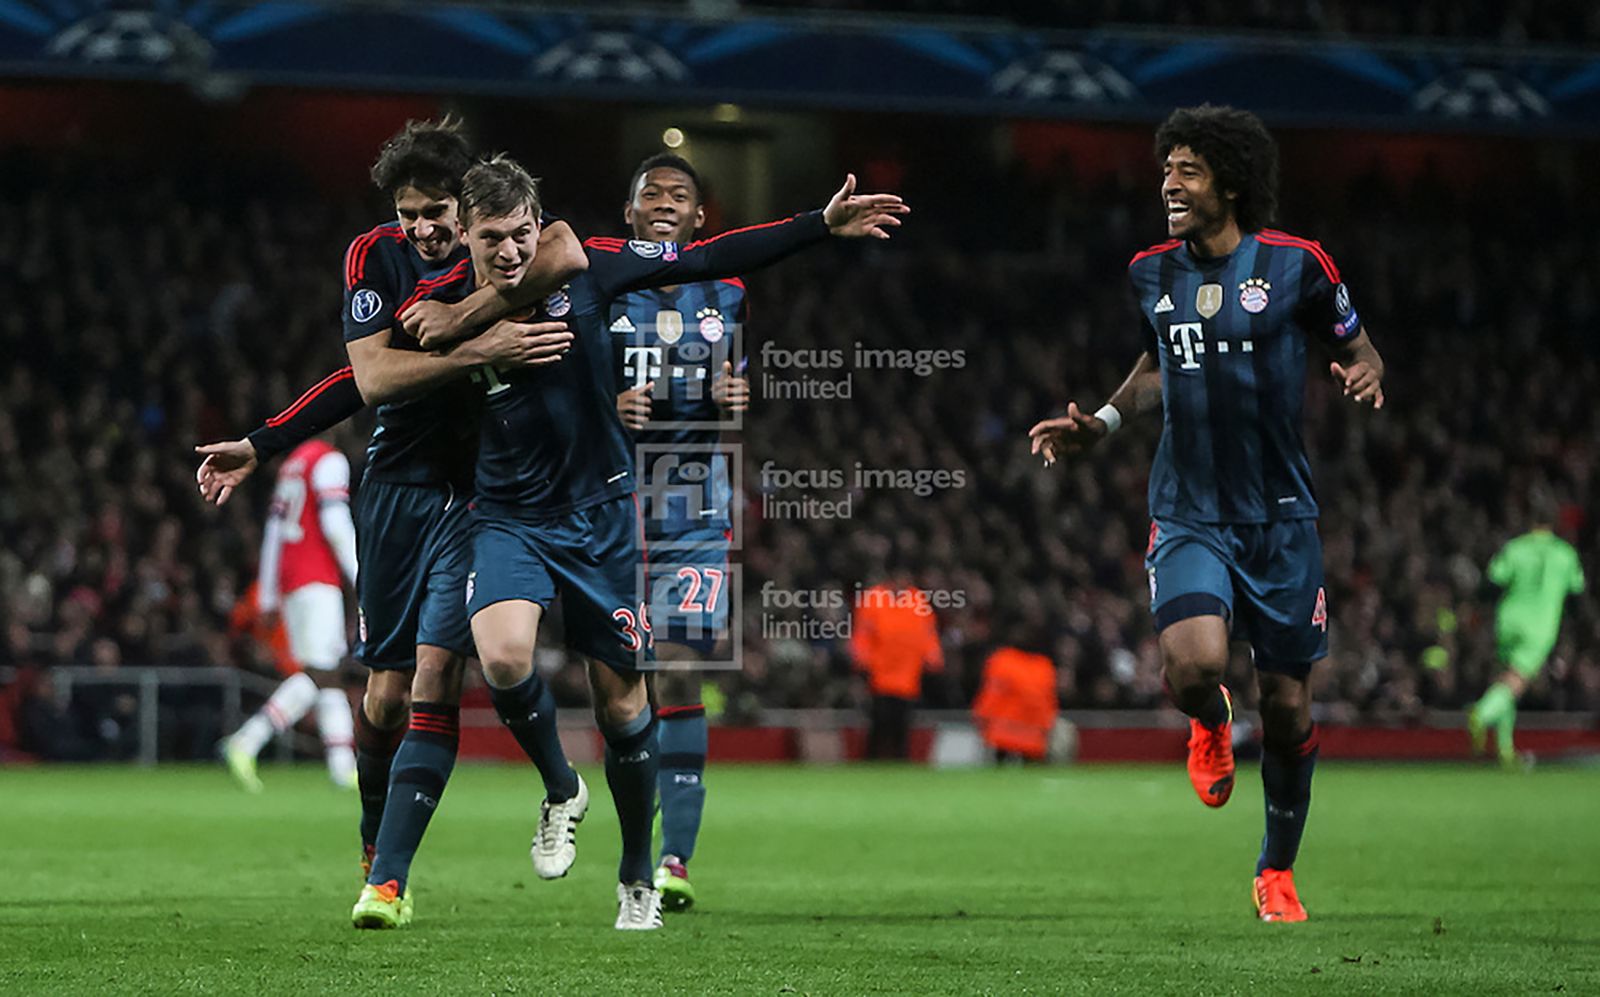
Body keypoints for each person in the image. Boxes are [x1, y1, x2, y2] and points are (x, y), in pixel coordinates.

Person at [418, 153, 906, 929]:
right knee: (504, 658)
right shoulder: (436, 301)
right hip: (512, 512)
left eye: (520, 236)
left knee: (630, 698)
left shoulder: (600, 268)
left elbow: (715, 257)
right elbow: (377, 377)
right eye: (490, 239)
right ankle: (560, 786)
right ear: (465, 238)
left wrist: (821, 223)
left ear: (542, 228)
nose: (508, 253)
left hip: (613, 514)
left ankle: (644, 869)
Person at [194, 118, 587, 927]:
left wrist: (483, 308)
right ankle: (375, 843)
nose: (424, 229)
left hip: (484, 490)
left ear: (467, 203)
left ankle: (391, 882)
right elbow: (366, 377)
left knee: (440, 674)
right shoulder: (375, 256)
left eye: (437, 210)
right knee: (382, 696)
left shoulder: (502, 241)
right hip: (399, 486)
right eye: (410, 214)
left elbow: (567, 250)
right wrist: (265, 443)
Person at [1028, 104, 1386, 923]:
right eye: (1166, 170)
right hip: (1189, 507)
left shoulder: (1299, 266)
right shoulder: (1150, 272)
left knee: (1290, 705)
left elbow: (1358, 345)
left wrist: (1365, 372)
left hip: (1282, 516)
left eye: (1187, 170)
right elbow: (1160, 362)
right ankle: (1210, 721)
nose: (1170, 184)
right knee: (1194, 666)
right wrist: (1104, 425)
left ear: (1231, 180)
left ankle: (1276, 869)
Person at [610, 153, 750, 912]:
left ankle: (674, 859)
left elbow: (738, 389)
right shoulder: (595, 290)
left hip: (694, 506)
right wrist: (609, 405)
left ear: (700, 218)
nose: (665, 202)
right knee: (621, 681)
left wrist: (737, 397)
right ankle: (630, 834)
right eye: (651, 193)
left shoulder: (727, 292)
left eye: (681, 196)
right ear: (629, 213)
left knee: (681, 662)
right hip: (610, 503)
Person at [221, 437, 359, 791]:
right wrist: (361, 574)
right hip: (317, 578)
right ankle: (246, 740)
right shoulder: (329, 460)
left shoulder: (292, 463)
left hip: (291, 581)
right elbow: (334, 522)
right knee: (320, 672)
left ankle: (343, 769)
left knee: (326, 673)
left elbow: (274, 531)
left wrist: (268, 593)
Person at [1468, 520, 1586, 766]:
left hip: (1508, 620)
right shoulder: (1565, 553)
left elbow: (1490, 584)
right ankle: (1482, 713)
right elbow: (1577, 596)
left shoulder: (1515, 547)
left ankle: (1505, 749)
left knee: (1504, 678)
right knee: (1515, 682)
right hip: (1539, 627)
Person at [849, 581, 944, 760]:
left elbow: (927, 633)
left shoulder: (917, 600)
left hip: (907, 677)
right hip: (879, 676)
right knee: (879, 725)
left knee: (901, 727)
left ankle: (898, 762)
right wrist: (862, 663)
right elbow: (863, 634)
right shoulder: (875, 598)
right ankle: (872, 762)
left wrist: (933, 659)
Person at [972, 644, 1058, 763]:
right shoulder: (1044, 666)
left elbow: (994, 693)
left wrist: (981, 713)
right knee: (1030, 771)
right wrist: (1048, 724)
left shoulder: (1002, 661)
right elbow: (1048, 701)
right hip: (1032, 733)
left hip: (1003, 730)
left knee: (998, 767)